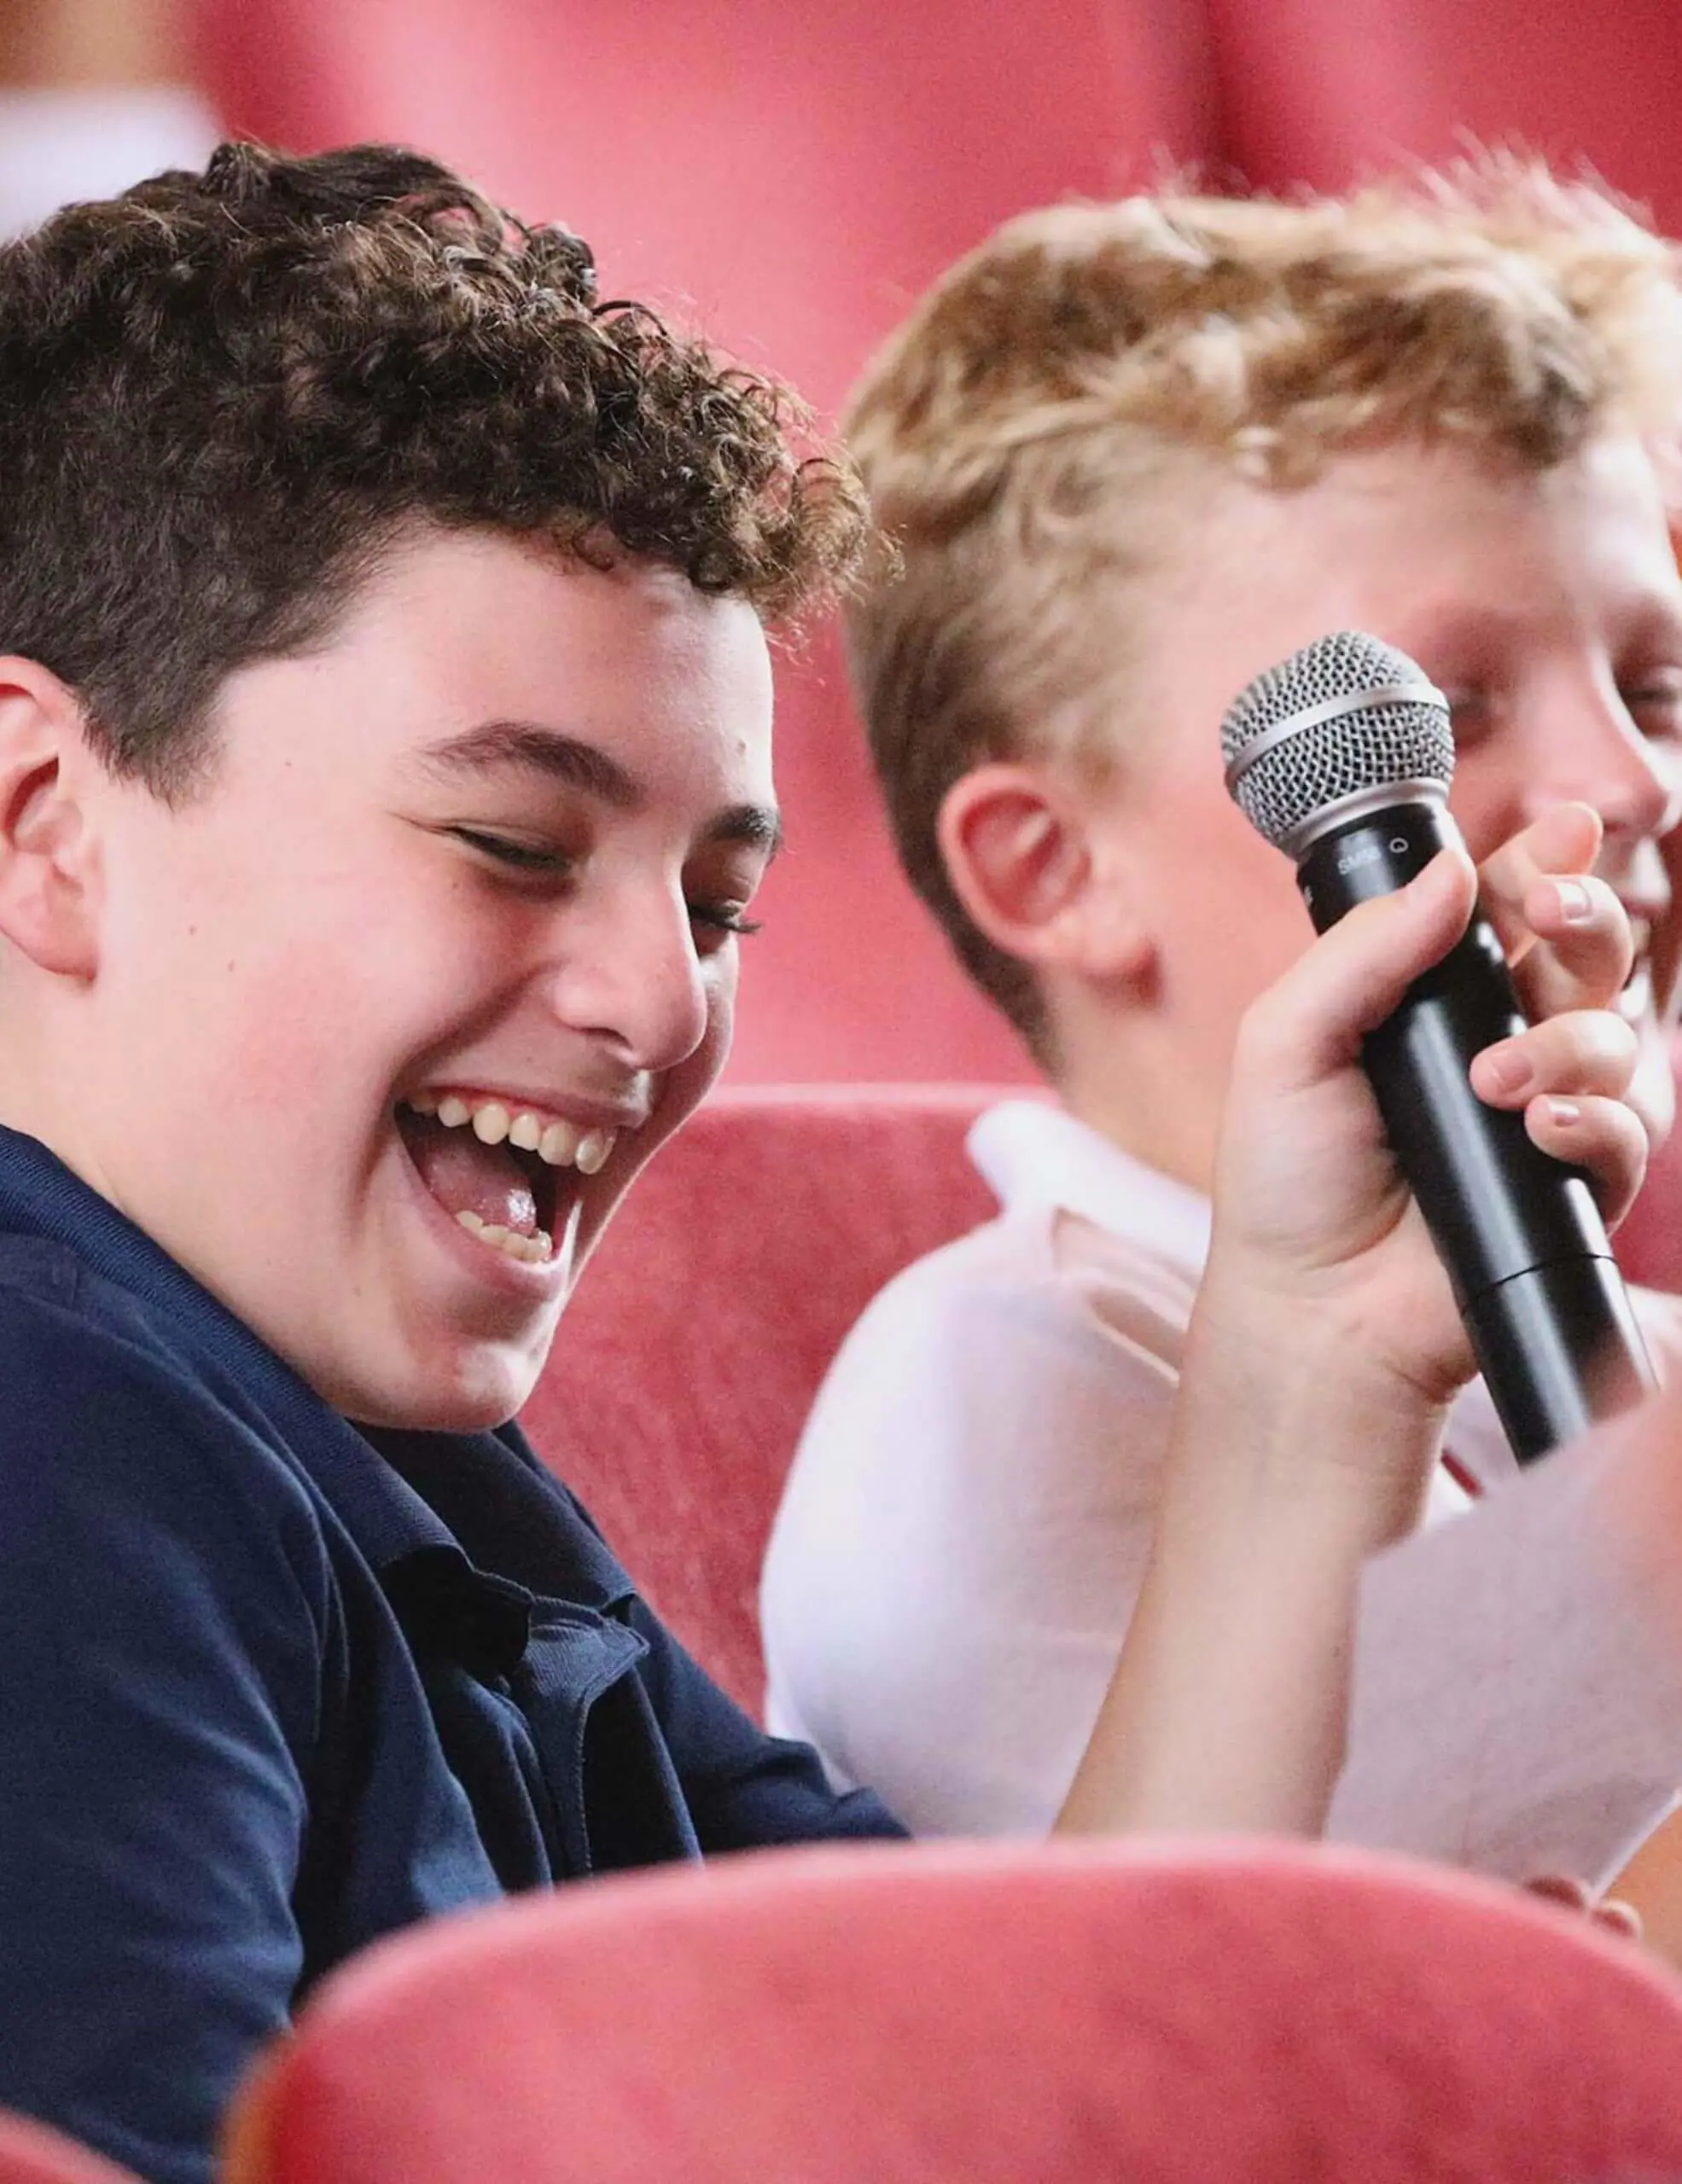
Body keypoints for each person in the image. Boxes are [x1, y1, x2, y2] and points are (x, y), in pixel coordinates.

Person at [0, 140, 1646, 2180]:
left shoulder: (402, 1460)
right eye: (512, 844)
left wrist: (1309, 1360)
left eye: (721, 905)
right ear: (47, 818)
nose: (660, 999)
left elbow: (1016, 2089)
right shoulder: (56, 1432)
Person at [761, 159, 1682, 1889]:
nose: (1627, 783)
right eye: (1448, 703)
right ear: (1054, 868)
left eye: (1654, 685)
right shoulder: (1002, 1401)